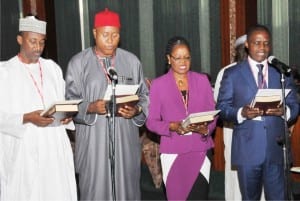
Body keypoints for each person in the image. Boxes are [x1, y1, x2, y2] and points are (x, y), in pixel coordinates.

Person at [65, 8, 149, 200]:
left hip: (125, 143)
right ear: (94, 33)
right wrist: (91, 107)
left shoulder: (131, 61)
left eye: (115, 35)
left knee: (127, 191)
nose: (110, 40)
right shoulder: (78, 63)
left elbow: (145, 96)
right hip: (94, 145)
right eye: (105, 35)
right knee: (95, 192)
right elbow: (69, 104)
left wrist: (136, 110)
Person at [216, 24, 299, 200]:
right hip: (248, 151)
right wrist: (241, 113)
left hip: (277, 150)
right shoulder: (232, 74)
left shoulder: (281, 73)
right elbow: (222, 109)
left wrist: (284, 112)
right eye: (257, 42)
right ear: (247, 44)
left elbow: (295, 105)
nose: (262, 47)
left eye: (266, 43)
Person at [0, 16, 77, 200]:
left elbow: (61, 102)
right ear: (20, 39)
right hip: (23, 150)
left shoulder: (53, 68)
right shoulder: (4, 71)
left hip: (54, 145)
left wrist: (66, 116)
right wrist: (26, 118)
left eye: (42, 42)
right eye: (32, 41)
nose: (38, 47)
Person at [146, 36, 217, 200]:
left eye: (187, 57)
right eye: (178, 58)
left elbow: (213, 114)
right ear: (169, 59)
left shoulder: (202, 81)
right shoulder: (158, 85)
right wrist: (172, 126)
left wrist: (206, 128)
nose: (183, 62)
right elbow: (151, 122)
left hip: (200, 149)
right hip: (173, 151)